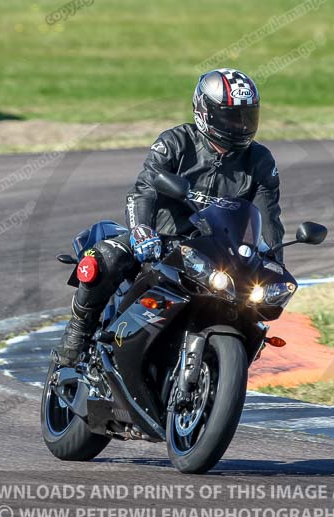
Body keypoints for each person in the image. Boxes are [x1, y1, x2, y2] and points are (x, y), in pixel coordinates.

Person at [56, 68, 285, 365]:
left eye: (247, 116)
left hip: (215, 253)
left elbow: (269, 215)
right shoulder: (176, 142)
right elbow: (144, 190)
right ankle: (79, 330)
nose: (240, 125)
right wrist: (141, 231)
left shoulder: (260, 160)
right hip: (160, 240)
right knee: (105, 257)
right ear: (205, 112)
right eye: (230, 116)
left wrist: (274, 262)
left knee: (250, 310)